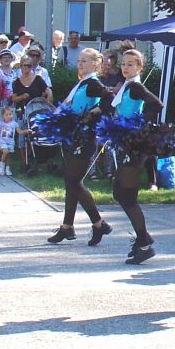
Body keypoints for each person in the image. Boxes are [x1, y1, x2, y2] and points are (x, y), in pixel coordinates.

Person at [46, 48, 115, 246]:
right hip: (73, 136)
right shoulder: (83, 83)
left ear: (95, 64)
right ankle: (67, 226)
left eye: (84, 61)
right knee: (70, 182)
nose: (80, 64)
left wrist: (93, 113)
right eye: (79, 61)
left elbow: (109, 99)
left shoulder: (93, 83)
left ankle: (99, 223)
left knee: (74, 182)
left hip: (84, 139)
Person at [110, 49, 165, 265]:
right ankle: (144, 238)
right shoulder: (127, 85)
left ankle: (144, 245)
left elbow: (156, 104)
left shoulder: (135, 86)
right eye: (123, 64)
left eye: (131, 64)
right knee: (119, 193)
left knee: (127, 197)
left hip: (135, 147)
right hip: (126, 145)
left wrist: (138, 125)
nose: (125, 68)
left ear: (140, 67)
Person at [11, 55, 52, 173]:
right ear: (21, 66)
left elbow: (47, 90)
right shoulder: (17, 82)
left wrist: (49, 96)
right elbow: (13, 98)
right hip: (22, 111)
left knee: (38, 135)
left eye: (29, 66)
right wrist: (22, 97)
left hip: (36, 112)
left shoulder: (38, 79)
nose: (27, 68)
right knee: (22, 138)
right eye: (25, 66)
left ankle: (40, 160)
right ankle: (25, 162)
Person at [0, 107, 26, 176]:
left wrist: (26, 131)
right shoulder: (1, 123)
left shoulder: (14, 123)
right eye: (7, 115)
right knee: (5, 152)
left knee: (8, 155)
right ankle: (1, 165)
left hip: (11, 142)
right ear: (3, 115)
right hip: (3, 141)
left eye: (10, 114)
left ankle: (7, 168)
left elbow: (19, 131)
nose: (9, 116)